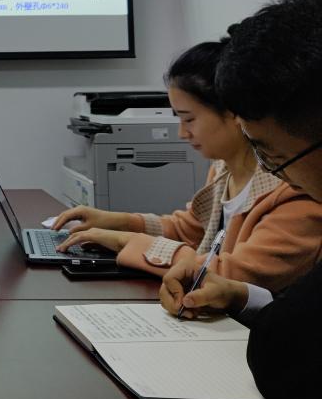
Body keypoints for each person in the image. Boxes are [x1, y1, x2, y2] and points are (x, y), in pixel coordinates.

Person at [158, 0, 322, 399]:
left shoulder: (297, 198)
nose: (274, 171)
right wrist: (241, 296)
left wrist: (131, 244)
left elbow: (286, 350)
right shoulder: (227, 170)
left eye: (274, 155)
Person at [52, 40, 322, 291]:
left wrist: (128, 241)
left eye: (189, 119)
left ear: (233, 112)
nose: (182, 133)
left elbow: (230, 274)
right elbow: (188, 230)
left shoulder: (296, 188)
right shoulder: (223, 169)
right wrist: (117, 222)